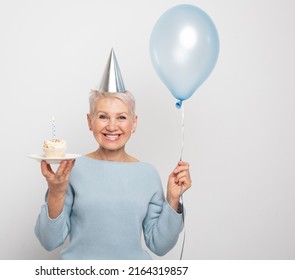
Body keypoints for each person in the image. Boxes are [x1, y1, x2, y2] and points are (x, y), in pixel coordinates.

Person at [34, 49, 192, 259]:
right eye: (103, 116)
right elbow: (49, 240)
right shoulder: (70, 168)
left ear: (134, 123)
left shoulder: (147, 174)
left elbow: (159, 245)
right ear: (90, 122)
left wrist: (173, 199)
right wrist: (56, 192)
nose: (112, 126)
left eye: (121, 118)